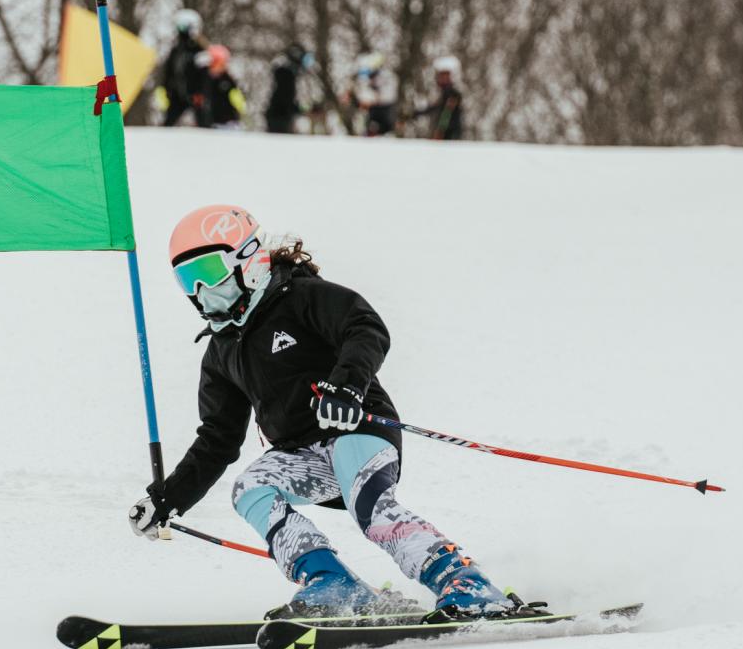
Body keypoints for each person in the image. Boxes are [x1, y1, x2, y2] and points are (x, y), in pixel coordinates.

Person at [127, 205, 524, 619]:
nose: (202, 289)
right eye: (188, 280)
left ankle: (467, 583)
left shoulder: (300, 296)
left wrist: (347, 388)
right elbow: (217, 440)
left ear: (248, 258)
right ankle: (333, 585)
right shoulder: (222, 350)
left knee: (369, 511)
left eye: (209, 271)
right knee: (251, 488)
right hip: (304, 455)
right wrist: (167, 499)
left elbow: (365, 327)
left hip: (359, 429)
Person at [156, 9, 208, 127]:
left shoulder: (199, 51)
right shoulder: (176, 50)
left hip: (195, 95)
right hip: (177, 95)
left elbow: (204, 75)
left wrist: (201, 92)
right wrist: (166, 89)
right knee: (167, 124)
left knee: (204, 124)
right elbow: (169, 71)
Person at [345, 52, 398, 136]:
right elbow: (362, 89)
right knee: (369, 125)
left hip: (384, 107)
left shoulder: (387, 76)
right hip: (372, 107)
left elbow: (389, 94)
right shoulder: (365, 76)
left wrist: (376, 98)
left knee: (386, 128)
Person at [265, 43, 312, 134]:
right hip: (279, 116)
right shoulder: (286, 74)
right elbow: (285, 98)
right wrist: (297, 109)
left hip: (280, 115)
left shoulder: (286, 73)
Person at [197, 44, 245, 128]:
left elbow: (238, 100)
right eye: (213, 64)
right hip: (211, 122)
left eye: (220, 64)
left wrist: (240, 109)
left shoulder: (227, 81)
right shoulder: (206, 79)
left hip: (228, 121)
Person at [418, 56, 464, 141]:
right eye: (441, 75)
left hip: (451, 133)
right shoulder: (442, 92)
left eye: (445, 75)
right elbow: (435, 108)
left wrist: (440, 130)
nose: (441, 78)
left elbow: (447, 112)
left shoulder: (452, 93)